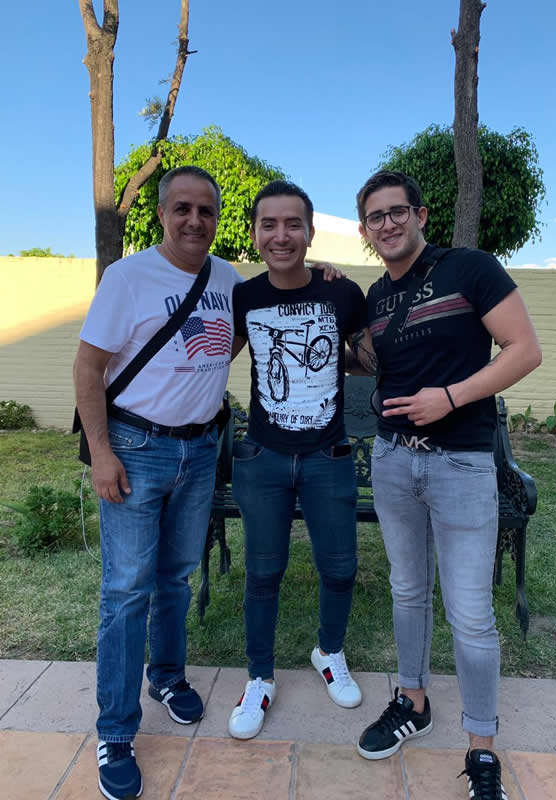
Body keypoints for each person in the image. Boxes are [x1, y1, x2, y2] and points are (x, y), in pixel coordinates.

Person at [351, 170, 542, 800]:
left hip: (460, 463)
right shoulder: (377, 296)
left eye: (396, 211)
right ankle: (413, 702)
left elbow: (524, 349)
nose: (387, 224)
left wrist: (451, 397)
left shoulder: (470, 269)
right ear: (365, 230)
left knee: (470, 614)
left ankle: (481, 748)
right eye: (375, 217)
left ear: (421, 214)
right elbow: (372, 358)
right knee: (407, 592)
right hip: (392, 461)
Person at [73, 166, 242, 800]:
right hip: (135, 449)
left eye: (206, 210)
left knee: (176, 577)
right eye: (182, 209)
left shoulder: (227, 280)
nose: (195, 220)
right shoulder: (128, 277)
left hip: (199, 451)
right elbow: (88, 367)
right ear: (162, 213)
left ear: (216, 217)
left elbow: (236, 337)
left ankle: (166, 675)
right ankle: (116, 731)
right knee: (125, 592)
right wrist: (101, 452)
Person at [227, 180, 372, 740]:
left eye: (293, 224)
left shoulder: (343, 292)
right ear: (255, 233)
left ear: (311, 233)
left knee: (340, 568)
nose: (281, 235)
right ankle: (259, 678)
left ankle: (329, 651)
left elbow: (369, 359)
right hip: (263, 458)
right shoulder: (243, 297)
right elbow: (212, 358)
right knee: (263, 573)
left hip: (326, 457)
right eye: (269, 224)